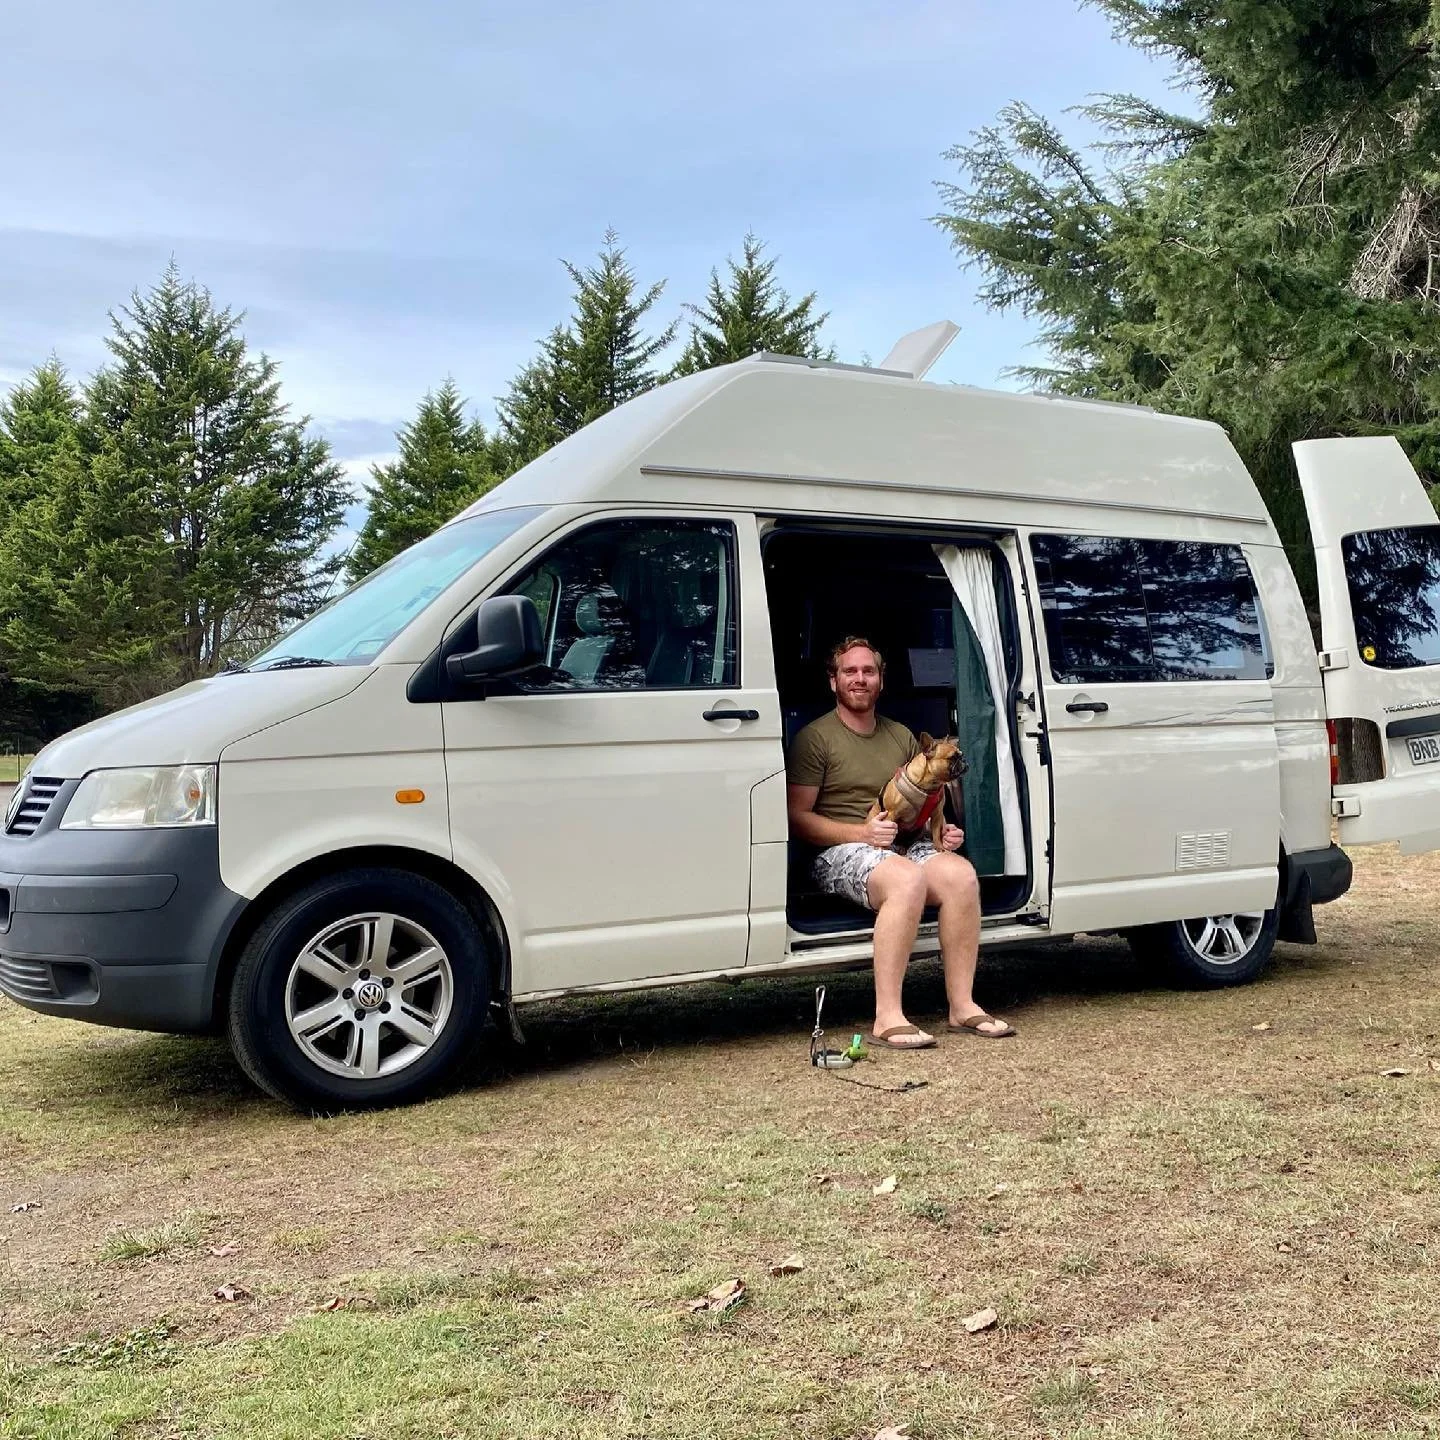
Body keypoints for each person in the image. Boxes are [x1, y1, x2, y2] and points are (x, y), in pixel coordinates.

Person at [786, 636, 1015, 1049]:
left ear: (880, 681)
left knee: (960, 875)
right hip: (838, 850)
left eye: (868, 671)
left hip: (902, 843)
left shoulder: (902, 736)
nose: (860, 679)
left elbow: (924, 801)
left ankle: (962, 1007)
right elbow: (796, 819)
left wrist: (939, 831)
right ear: (833, 681)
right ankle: (887, 1017)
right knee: (907, 880)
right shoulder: (814, 738)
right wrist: (862, 833)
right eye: (850, 672)